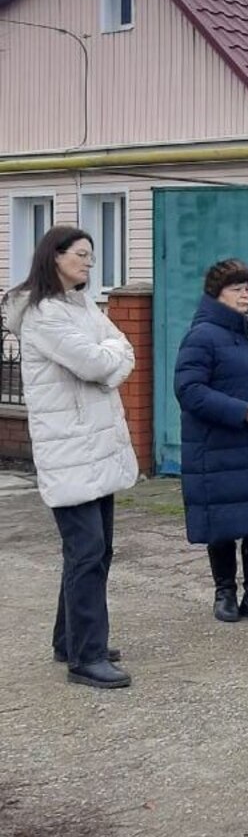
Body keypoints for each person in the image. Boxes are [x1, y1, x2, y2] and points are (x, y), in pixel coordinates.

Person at [2, 226, 137, 689]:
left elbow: (120, 349)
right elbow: (99, 364)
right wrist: (109, 361)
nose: (88, 263)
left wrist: (109, 358)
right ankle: (87, 656)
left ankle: (71, 639)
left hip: (96, 446)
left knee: (96, 551)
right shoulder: (43, 315)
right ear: (55, 257)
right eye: (81, 255)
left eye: (91, 256)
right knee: (86, 553)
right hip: (69, 448)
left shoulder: (80, 306)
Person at [174, 259, 248, 625]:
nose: (245, 294)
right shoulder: (202, 335)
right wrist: (241, 411)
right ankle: (225, 593)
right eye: (236, 288)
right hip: (219, 446)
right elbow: (189, 390)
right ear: (216, 293)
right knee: (222, 521)